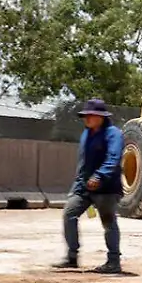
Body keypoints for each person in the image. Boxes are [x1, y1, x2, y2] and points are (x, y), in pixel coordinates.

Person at [54, 99, 124, 273]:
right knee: (69, 214)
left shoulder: (113, 134)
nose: (86, 119)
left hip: (107, 188)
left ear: (101, 117)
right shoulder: (87, 134)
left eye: (90, 116)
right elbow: (83, 162)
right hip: (84, 186)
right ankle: (71, 257)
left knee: (108, 223)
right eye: (85, 116)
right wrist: (79, 183)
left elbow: (113, 159)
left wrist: (99, 176)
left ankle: (113, 261)